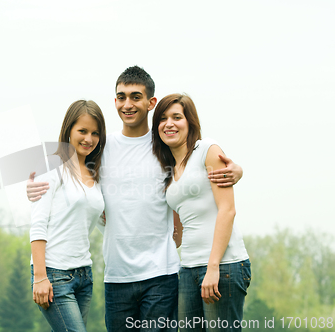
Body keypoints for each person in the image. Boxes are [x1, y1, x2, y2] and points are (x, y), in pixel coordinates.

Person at [28, 66, 244, 332]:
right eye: (121, 97)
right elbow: (76, 182)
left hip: (161, 277)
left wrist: (237, 170)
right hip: (116, 276)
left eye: (135, 97)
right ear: (115, 101)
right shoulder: (101, 149)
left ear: (151, 102)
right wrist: (36, 188)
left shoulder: (165, 145)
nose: (127, 104)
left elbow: (191, 171)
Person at [151, 93, 251, 332]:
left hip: (224, 266)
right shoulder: (169, 169)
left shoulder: (207, 150)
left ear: (190, 122)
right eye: (163, 118)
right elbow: (180, 228)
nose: (169, 123)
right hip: (188, 269)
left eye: (177, 117)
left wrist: (213, 267)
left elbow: (227, 210)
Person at [30, 100, 106, 331]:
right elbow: (38, 224)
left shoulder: (96, 174)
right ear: (68, 131)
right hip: (55, 274)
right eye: (82, 131)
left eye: (94, 133)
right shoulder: (52, 168)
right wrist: (40, 277)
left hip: (84, 274)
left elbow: (102, 221)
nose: (88, 139)